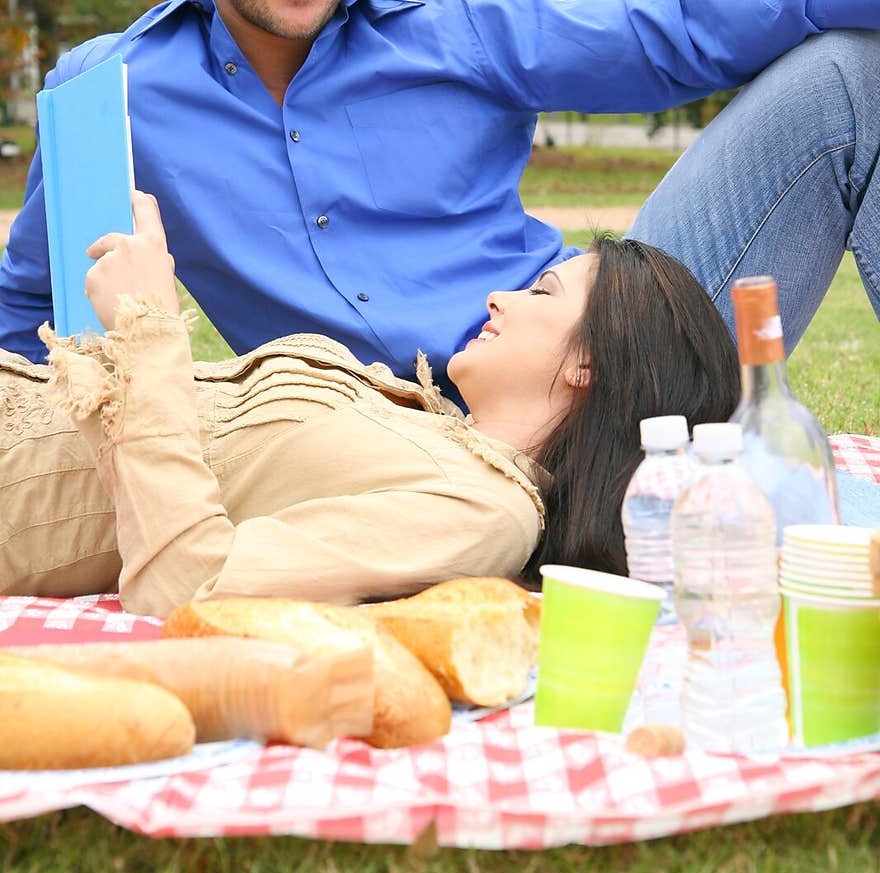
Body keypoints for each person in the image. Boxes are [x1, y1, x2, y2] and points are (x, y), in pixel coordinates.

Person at [0, 0, 878, 399]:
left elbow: (670, 25)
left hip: (608, 372)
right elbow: (31, 315)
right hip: (384, 459)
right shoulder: (105, 93)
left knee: (854, 72)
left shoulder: (456, 23)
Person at [0, 193, 738, 617]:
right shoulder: (436, 431)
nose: (499, 296)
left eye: (543, 291)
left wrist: (150, 323)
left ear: (590, 360)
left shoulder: (488, 511)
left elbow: (193, 587)